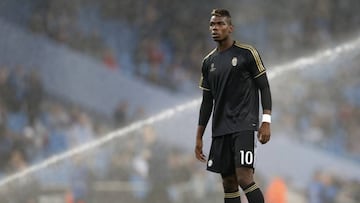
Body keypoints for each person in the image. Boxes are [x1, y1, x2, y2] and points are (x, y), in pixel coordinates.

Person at [194, 8, 272, 203]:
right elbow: (206, 102)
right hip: (220, 129)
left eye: (220, 24)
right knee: (228, 183)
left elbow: (264, 87)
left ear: (230, 28)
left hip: (244, 125)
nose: (215, 28)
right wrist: (199, 136)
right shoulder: (208, 62)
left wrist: (266, 121)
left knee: (245, 178)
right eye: (212, 24)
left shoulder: (247, 53)